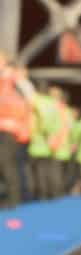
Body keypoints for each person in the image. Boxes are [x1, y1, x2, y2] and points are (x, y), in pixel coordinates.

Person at [0, 57, 31, 206]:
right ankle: (10, 196)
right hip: (7, 127)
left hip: (11, 129)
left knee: (7, 163)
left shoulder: (17, 82)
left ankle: (13, 198)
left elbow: (29, 101)